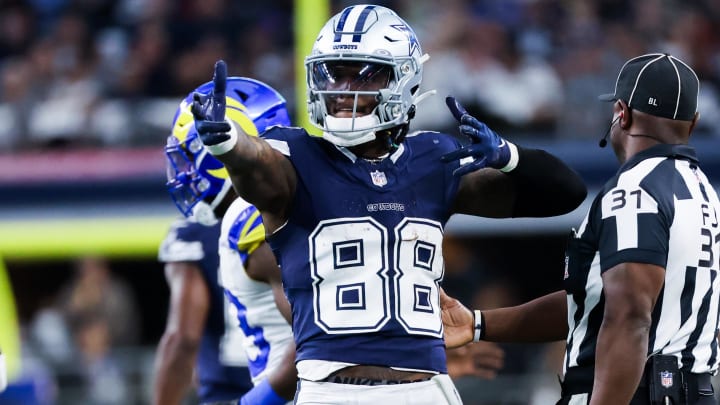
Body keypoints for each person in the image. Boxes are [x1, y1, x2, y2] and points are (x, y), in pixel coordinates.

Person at [190, 5, 587, 404]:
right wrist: (229, 143)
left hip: (426, 389)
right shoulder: (294, 158)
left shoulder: (433, 161)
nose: (344, 89)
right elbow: (255, 162)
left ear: (404, 79)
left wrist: (510, 154)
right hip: (328, 391)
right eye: (335, 74)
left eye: (364, 73)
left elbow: (566, 193)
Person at [440, 53, 720, 405]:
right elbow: (594, 301)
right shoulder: (704, 192)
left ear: (622, 112)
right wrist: (479, 324)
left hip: (636, 393)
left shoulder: (636, 191)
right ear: (692, 123)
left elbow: (630, 316)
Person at [155, 77, 295, 405]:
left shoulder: (208, 231)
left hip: (270, 390)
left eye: (191, 156)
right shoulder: (302, 207)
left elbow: (183, 339)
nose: (184, 172)